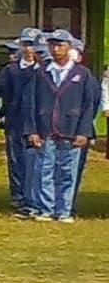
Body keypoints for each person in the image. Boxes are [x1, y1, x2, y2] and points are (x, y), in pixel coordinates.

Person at [33, 32, 97, 221]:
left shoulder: (82, 74)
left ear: (69, 47)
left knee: (67, 171)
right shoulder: (41, 72)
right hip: (46, 129)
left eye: (60, 45)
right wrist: (33, 130)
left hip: (71, 129)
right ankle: (46, 208)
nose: (56, 49)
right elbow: (31, 103)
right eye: (52, 45)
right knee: (45, 169)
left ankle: (64, 210)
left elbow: (89, 105)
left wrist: (84, 131)